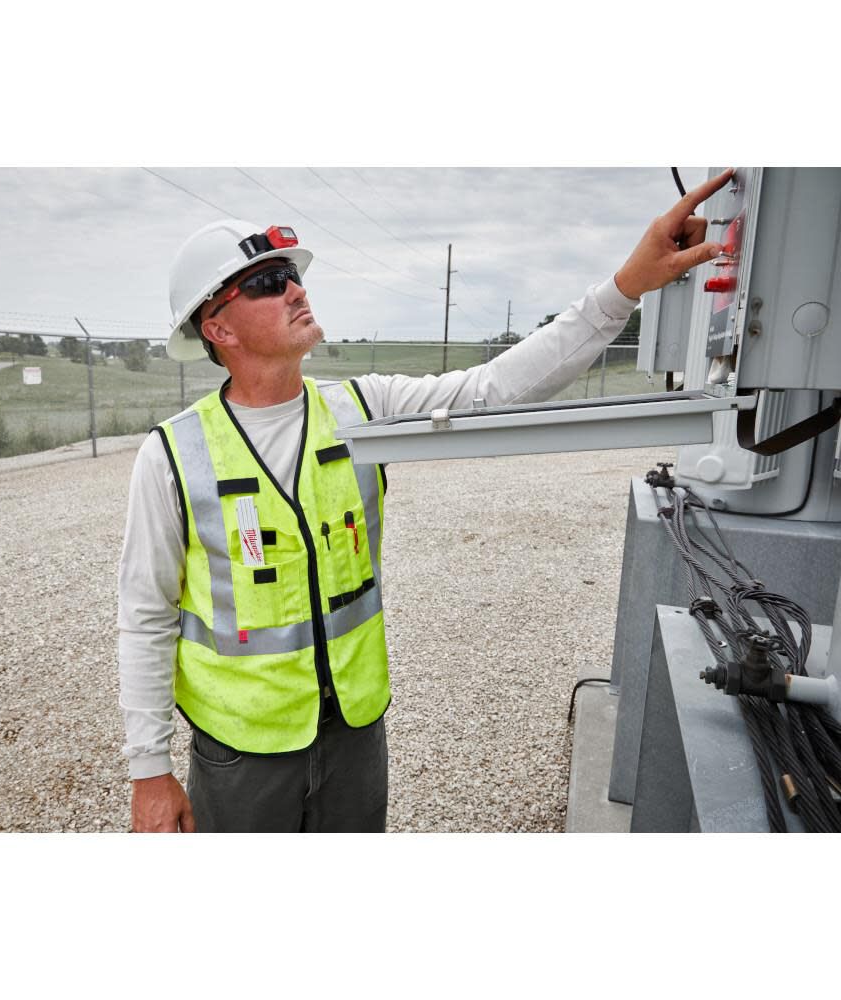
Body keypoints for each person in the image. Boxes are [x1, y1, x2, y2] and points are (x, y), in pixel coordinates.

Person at [118, 169, 734, 833]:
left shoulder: (361, 410)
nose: (296, 289)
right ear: (219, 329)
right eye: (268, 282)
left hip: (354, 733)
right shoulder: (173, 455)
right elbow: (146, 615)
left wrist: (625, 288)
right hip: (242, 755)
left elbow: (494, 388)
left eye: (292, 275)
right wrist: (149, 769)